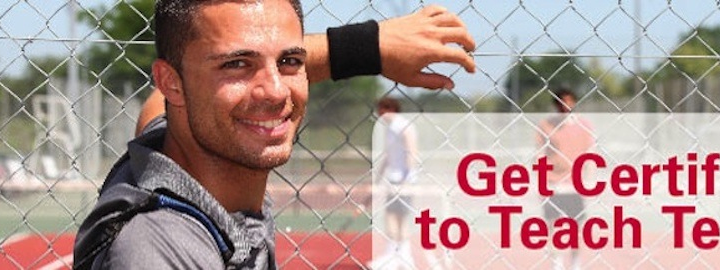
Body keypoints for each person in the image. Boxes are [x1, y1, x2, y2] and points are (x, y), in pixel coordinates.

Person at [73, 0, 476, 269]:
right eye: (236, 64)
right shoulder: (158, 248)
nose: (276, 91)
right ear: (173, 82)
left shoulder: (169, 148)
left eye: (289, 60)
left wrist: (364, 47)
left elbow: (157, 102)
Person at [536, 89, 594, 270]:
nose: (565, 105)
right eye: (561, 101)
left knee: (576, 226)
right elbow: (540, 154)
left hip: (574, 184)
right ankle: (557, 263)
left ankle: (575, 263)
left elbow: (590, 153)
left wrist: (589, 180)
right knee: (553, 225)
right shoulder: (546, 125)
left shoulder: (583, 125)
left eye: (569, 101)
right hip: (553, 183)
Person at [370, 97, 419, 269]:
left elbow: (411, 152)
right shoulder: (389, 128)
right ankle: (393, 256)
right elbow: (387, 155)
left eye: (381, 110)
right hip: (393, 179)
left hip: (404, 181)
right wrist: (378, 178)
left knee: (401, 219)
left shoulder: (403, 126)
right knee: (391, 217)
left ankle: (405, 258)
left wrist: (407, 180)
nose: (379, 114)